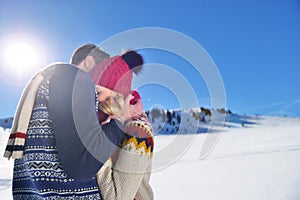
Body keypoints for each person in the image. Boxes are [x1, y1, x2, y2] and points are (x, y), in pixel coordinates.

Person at [4, 44, 142, 199]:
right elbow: (83, 165)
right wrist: (120, 121)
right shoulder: (76, 79)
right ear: (89, 62)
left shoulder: (49, 83)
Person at [87, 52, 155, 199]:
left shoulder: (138, 129)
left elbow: (118, 197)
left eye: (98, 92)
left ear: (117, 93)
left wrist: (94, 148)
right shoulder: (104, 123)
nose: (92, 98)